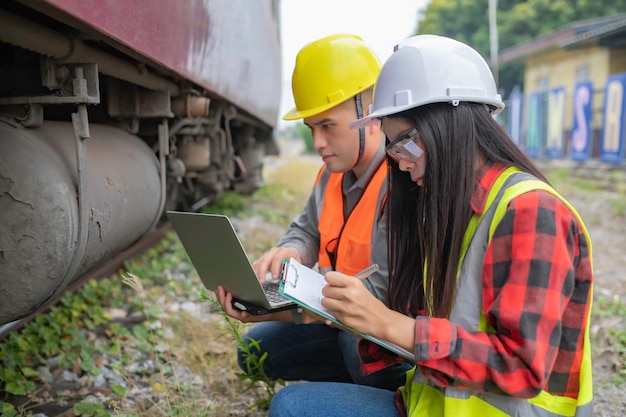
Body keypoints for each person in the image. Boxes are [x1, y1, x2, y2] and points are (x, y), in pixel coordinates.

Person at [268, 34, 594, 417]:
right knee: (294, 404)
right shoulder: (449, 205)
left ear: (448, 125)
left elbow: (523, 367)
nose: (400, 164)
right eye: (393, 150)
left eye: (405, 145)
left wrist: (392, 325)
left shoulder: (531, 212)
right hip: (433, 403)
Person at [215, 33, 414, 391]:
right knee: (254, 350)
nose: (317, 143)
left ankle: (377, 398)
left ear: (368, 115)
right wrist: (291, 250)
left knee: (355, 347)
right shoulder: (330, 176)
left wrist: (286, 308)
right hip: (334, 318)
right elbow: (306, 230)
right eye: (311, 128)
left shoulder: (402, 182)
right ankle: (343, 390)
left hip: (384, 336)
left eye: (327, 126)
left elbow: (379, 295)